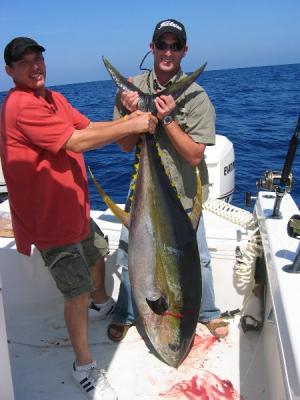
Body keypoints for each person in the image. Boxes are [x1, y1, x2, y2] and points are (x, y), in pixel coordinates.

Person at [0, 37, 157, 400]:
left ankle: (101, 304)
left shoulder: (54, 99)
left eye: (38, 58)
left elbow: (87, 127)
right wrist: (134, 126)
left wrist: (131, 119)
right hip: (49, 221)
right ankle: (83, 365)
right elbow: (76, 143)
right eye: (24, 62)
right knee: (75, 293)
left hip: (73, 206)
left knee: (99, 250)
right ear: (9, 71)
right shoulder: (20, 106)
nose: (34, 65)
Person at [107, 19, 229, 343]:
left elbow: (193, 156)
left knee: (198, 259)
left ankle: (208, 312)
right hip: (143, 195)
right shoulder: (130, 89)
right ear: (152, 47)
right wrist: (130, 114)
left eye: (175, 46)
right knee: (130, 256)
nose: (168, 51)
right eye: (162, 44)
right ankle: (126, 314)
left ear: (184, 50)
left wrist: (168, 118)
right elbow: (122, 145)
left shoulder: (197, 96)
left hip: (186, 197)